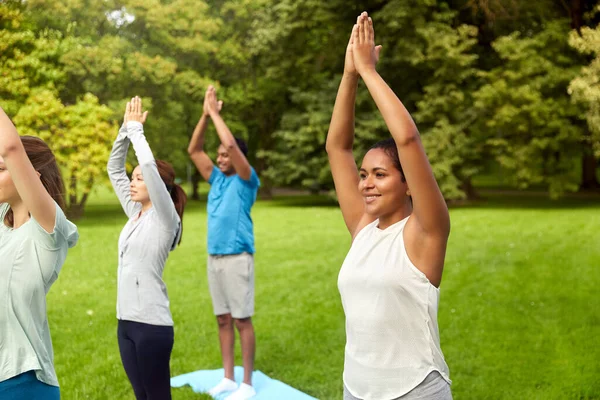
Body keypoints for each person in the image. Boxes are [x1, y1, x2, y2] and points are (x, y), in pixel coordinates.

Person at [327, 12, 453, 400]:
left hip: (415, 390)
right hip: (356, 389)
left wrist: (368, 71)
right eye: (364, 175)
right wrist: (348, 75)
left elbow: (409, 140)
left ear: (408, 184)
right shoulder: (363, 227)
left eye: (379, 175)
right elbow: (338, 147)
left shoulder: (426, 232)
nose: (366, 184)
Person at [107, 96, 187, 400]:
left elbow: (150, 169)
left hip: (151, 325)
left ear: (157, 188)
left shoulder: (165, 219)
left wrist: (138, 132)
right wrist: (124, 131)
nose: (132, 181)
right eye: (133, 177)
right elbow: (114, 169)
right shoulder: (135, 214)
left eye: (138, 178)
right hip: (125, 322)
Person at [0, 106, 79, 399]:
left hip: (22, 382)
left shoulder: (48, 230)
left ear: (28, 177)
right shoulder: (2, 223)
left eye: (1, 169)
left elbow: (9, 147)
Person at [188, 86, 260, 400]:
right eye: (218, 155)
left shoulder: (247, 179)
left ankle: (247, 383)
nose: (220, 157)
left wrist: (217, 114)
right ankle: (228, 377)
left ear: (238, 157)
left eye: (225, 154)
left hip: (237, 258)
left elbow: (230, 142)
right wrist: (205, 116)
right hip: (214, 257)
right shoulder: (216, 178)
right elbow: (194, 150)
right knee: (222, 319)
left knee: (242, 320)